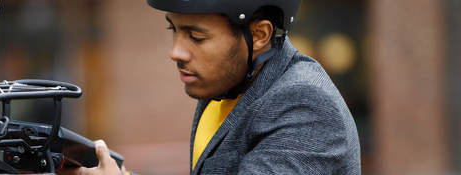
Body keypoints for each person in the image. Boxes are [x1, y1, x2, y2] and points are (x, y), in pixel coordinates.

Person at [63, 0, 361, 174]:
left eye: (196, 36)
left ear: (259, 35)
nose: (176, 52)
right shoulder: (227, 85)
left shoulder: (305, 105)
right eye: (174, 30)